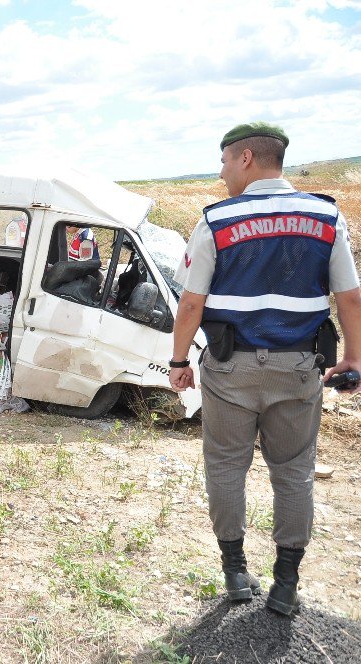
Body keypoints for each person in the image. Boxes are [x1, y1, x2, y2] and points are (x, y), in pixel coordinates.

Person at [169, 122, 361, 616]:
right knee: (294, 473)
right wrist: (354, 359)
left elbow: (191, 303)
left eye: (225, 161)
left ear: (247, 158)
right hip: (298, 368)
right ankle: (286, 583)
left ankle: (235, 571)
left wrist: (178, 361)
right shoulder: (324, 216)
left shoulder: (216, 221)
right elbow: (351, 296)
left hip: (230, 371)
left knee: (227, 466)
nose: (221, 171)